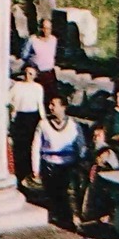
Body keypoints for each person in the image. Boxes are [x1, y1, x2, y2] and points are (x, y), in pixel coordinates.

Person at [32, 95, 87, 227]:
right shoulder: (43, 124)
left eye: (54, 104)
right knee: (53, 194)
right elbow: (36, 146)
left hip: (68, 164)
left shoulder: (74, 125)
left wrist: (82, 162)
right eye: (50, 104)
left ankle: (73, 219)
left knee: (69, 194)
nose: (50, 107)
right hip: (49, 165)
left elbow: (81, 145)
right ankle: (59, 217)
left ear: (63, 107)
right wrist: (36, 168)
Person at [5, 64, 46, 184]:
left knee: (32, 146)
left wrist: (43, 120)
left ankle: (30, 174)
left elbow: (40, 104)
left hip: (33, 118)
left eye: (31, 74)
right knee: (19, 147)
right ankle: (20, 173)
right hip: (20, 118)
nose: (28, 76)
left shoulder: (38, 87)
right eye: (26, 73)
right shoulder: (17, 86)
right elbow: (7, 100)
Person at [19, 17, 60, 102]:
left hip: (49, 72)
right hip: (37, 73)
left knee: (51, 97)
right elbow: (24, 55)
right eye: (44, 28)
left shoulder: (53, 40)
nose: (46, 31)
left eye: (49, 28)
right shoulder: (32, 40)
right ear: (40, 28)